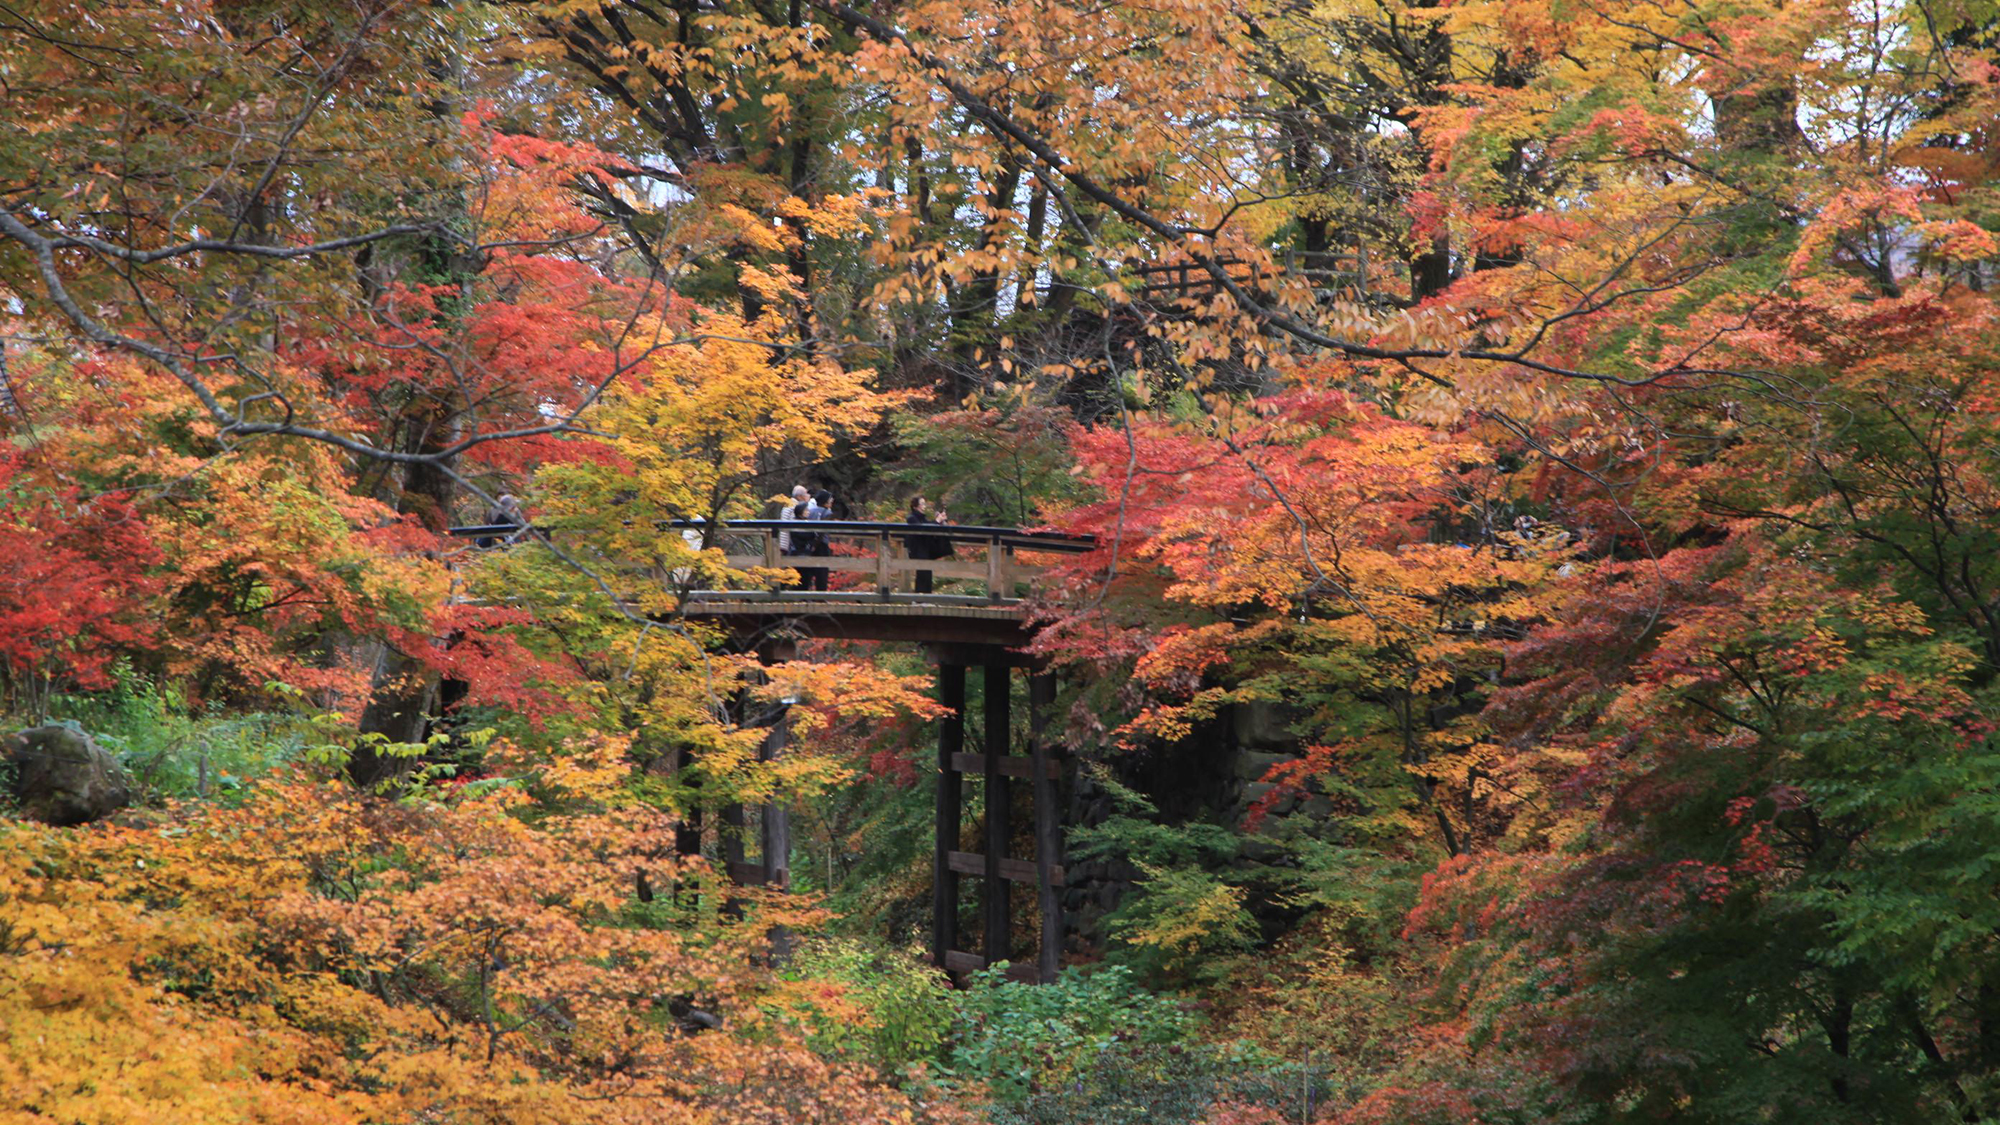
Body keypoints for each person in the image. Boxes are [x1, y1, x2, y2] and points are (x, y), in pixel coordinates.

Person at [905, 496, 954, 593]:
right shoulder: (912, 518)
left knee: (927, 573)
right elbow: (922, 530)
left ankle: (927, 597)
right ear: (915, 506)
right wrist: (937, 521)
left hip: (925, 549)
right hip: (917, 550)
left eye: (924, 504)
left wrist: (940, 520)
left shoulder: (923, 519)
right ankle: (920, 598)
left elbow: (930, 525)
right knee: (922, 573)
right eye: (922, 504)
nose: (924, 506)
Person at [801, 489, 834, 591]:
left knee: (808, 570)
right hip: (822, 544)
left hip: (809, 543)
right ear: (826, 501)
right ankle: (821, 595)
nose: (832, 500)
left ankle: (805, 593)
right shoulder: (827, 513)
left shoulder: (810, 511)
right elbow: (824, 531)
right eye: (830, 499)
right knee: (822, 571)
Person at [777, 485, 809, 557]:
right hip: (788, 542)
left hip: (784, 541)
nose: (807, 496)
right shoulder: (794, 507)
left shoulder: (789, 504)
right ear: (799, 496)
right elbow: (794, 525)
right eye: (806, 494)